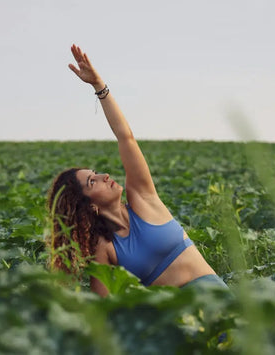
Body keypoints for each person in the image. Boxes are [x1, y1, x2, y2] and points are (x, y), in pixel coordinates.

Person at [47, 44, 228, 297]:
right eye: (92, 181)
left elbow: (126, 138)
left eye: (96, 172)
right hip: (181, 328)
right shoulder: (105, 248)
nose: (104, 176)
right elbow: (109, 312)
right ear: (88, 205)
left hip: (222, 307)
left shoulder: (143, 199)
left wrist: (99, 86)